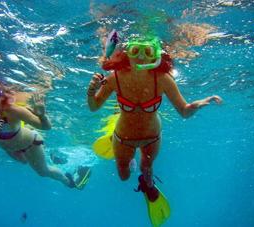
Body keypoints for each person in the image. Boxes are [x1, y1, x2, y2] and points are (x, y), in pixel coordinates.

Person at [87, 35, 222, 225]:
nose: (141, 56)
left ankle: (147, 186)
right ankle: (115, 141)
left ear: (155, 56)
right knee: (124, 176)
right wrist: (91, 92)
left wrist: (199, 104)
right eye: (135, 50)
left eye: (148, 51)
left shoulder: (163, 79)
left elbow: (183, 111)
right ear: (127, 53)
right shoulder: (115, 78)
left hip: (152, 137)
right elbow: (94, 107)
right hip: (123, 138)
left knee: (146, 169)